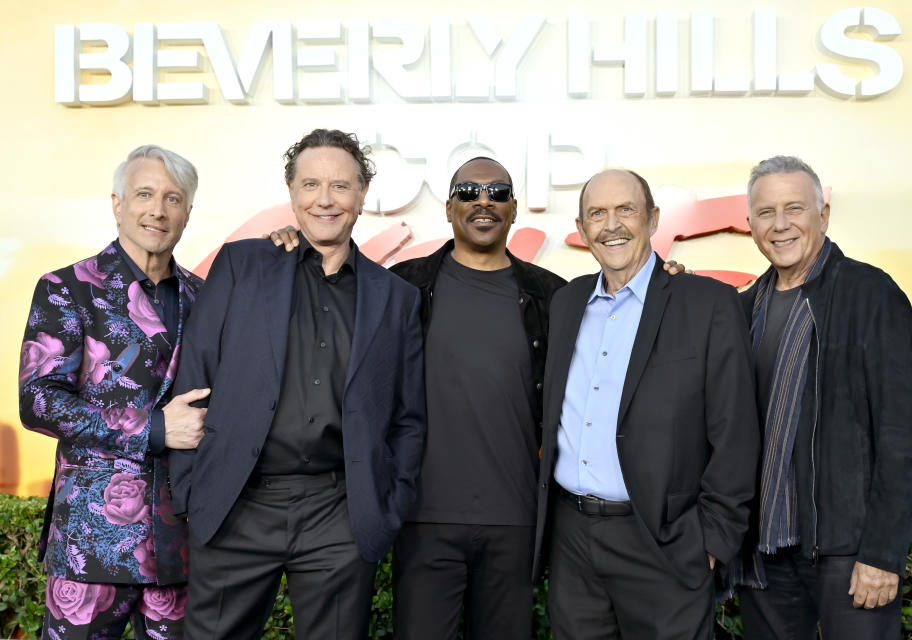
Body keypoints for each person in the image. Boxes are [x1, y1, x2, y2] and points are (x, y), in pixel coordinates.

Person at [168, 128, 426, 640]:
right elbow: (195, 377)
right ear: (291, 193)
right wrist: (193, 494)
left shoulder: (396, 298)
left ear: (362, 195)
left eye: (340, 186)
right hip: (237, 505)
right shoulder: (243, 265)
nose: (324, 199)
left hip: (339, 515)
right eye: (310, 184)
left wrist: (387, 508)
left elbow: (408, 417)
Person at [532, 168, 760, 639]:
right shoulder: (566, 302)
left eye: (625, 210)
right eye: (597, 213)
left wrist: (711, 541)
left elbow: (735, 432)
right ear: (581, 227)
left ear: (653, 219)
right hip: (573, 540)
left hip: (663, 540)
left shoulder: (709, 303)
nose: (611, 224)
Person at [732, 156, 912, 639]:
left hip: (848, 553)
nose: (780, 225)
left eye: (794, 208)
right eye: (765, 212)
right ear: (750, 223)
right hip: (764, 557)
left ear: (823, 213)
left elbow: (903, 436)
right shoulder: (743, 307)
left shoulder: (871, 294)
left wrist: (882, 555)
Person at [19, 145, 208, 640]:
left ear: (188, 212)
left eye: (172, 198)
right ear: (117, 203)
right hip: (91, 543)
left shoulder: (206, 297)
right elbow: (38, 399)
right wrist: (155, 428)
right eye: (144, 194)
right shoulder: (67, 287)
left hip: (181, 545)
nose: (157, 209)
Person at [385, 157, 566, 639]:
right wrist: (290, 247)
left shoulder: (553, 297)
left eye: (497, 192)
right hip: (423, 518)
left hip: (516, 519)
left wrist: (667, 287)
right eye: (468, 192)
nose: (483, 201)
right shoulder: (402, 286)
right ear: (448, 209)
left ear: (513, 210)